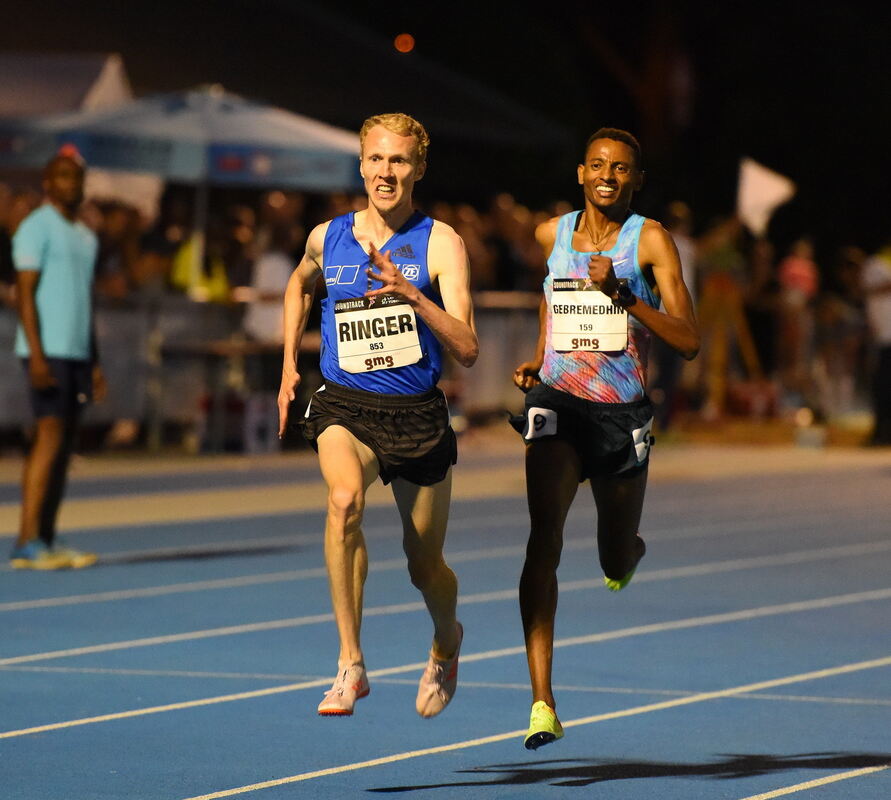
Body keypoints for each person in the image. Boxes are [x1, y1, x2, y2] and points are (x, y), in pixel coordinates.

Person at [277, 113, 478, 717]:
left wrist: (414, 295)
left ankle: (447, 640)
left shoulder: (441, 242)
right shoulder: (326, 236)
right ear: (361, 164)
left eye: (398, 161)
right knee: (343, 503)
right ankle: (350, 664)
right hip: (345, 403)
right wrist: (289, 364)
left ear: (418, 168)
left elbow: (467, 348)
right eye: (376, 160)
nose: (385, 172)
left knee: (425, 568)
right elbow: (299, 285)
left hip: (416, 414)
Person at [511, 128, 699, 750]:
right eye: (597, 165)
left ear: (636, 181)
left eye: (620, 168)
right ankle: (542, 702)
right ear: (580, 172)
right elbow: (552, 298)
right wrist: (540, 357)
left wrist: (622, 294)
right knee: (544, 536)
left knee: (611, 557)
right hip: (559, 404)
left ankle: (629, 553)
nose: (608, 175)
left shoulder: (649, 240)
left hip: (621, 414)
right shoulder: (551, 234)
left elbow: (688, 339)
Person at [9, 153, 106, 569]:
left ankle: (47, 537)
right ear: (47, 183)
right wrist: (36, 353)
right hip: (45, 352)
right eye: (62, 177)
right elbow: (24, 294)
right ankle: (27, 540)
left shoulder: (86, 236)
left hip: (77, 352)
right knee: (48, 438)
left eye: (77, 178)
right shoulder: (34, 227)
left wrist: (95, 360)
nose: (71, 184)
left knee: (65, 445)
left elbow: (85, 301)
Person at [860, 239, 891, 445]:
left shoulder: (880, 265)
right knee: (883, 384)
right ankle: (882, 432)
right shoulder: (876, 265)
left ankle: (882, 431)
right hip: (886, 338)